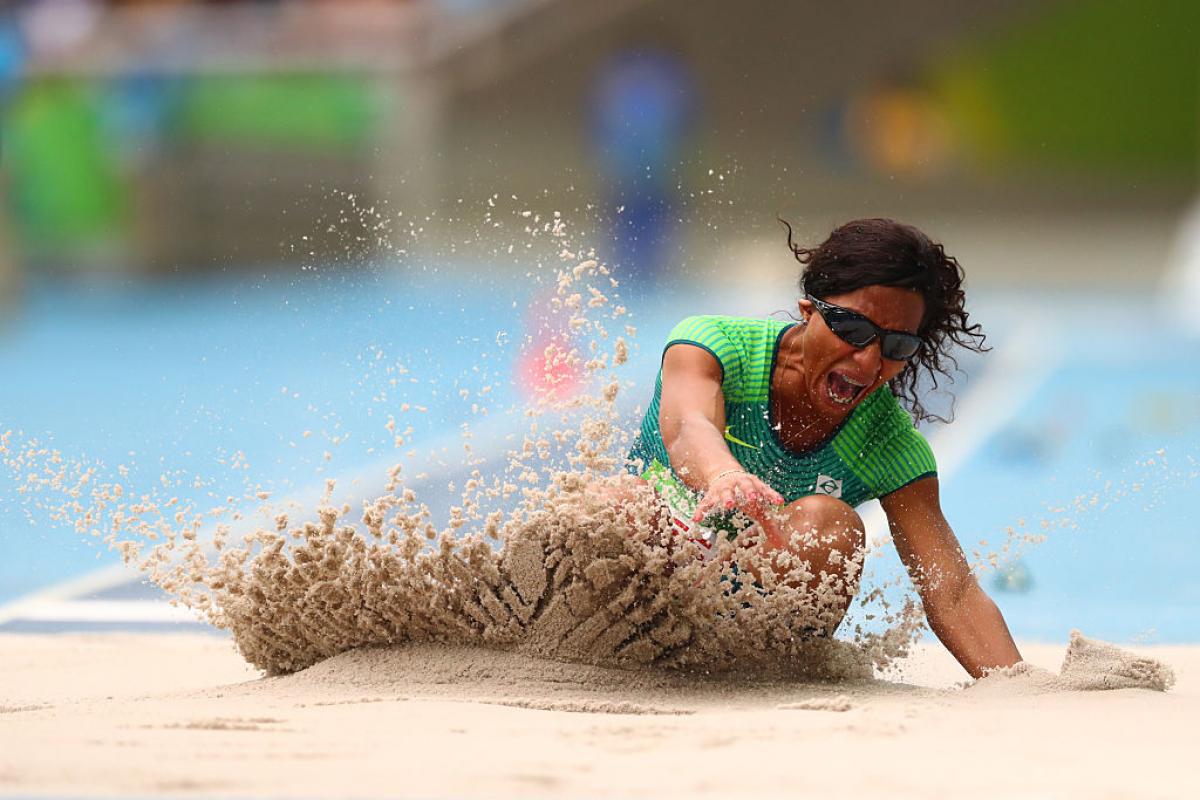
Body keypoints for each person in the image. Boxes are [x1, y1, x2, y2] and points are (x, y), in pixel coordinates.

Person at [623, 217, 1022, 678]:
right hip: (648, 581)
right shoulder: (715, 346)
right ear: (808, 311)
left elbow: (953, 593)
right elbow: (688, 427)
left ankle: (754, 677)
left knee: (830, 525)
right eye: (853, 330)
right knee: (616, 504)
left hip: (740, 635)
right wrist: (724, 475)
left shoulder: (890, 445)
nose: (869, 360)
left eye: (896, 344)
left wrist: (1019, 687)